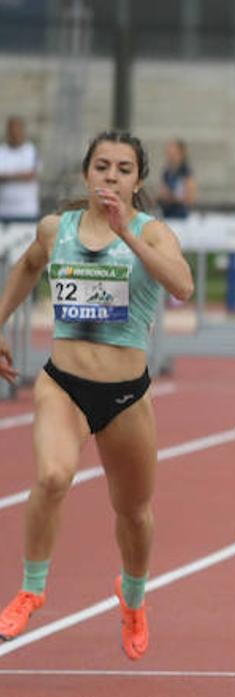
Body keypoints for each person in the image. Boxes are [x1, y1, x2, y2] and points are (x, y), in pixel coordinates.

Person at [0, 130, 195, 660]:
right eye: (102, 166)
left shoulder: (151, 233)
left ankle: (133, 601)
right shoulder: (55, 229)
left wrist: (124, 235)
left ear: (137, 181)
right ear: (87, 174)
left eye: (123, 169)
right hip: (64, 384)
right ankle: (31, 588)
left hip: (127, 395)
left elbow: (183, 286)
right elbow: (27, 266)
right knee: (52, 475)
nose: (111, 176)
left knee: (133, 511)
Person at [0, 116, 40, 224]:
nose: (15, 133)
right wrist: (19, 175)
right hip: (4, 212)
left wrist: (6, 176)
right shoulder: (2, 151)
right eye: (12, 130)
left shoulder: (31, 150)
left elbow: (30, 175)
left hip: (26, 211)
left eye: (17, 130)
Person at [157, 139, 196, 220]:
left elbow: (190, 199)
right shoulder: (167, 173)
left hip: (180, 217)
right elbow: (162, 192)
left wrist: (171, 197)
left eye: (173, 153)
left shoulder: (185, 173)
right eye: (168, 153)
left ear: (181, 154)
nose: (170, 157)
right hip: (167, 215)